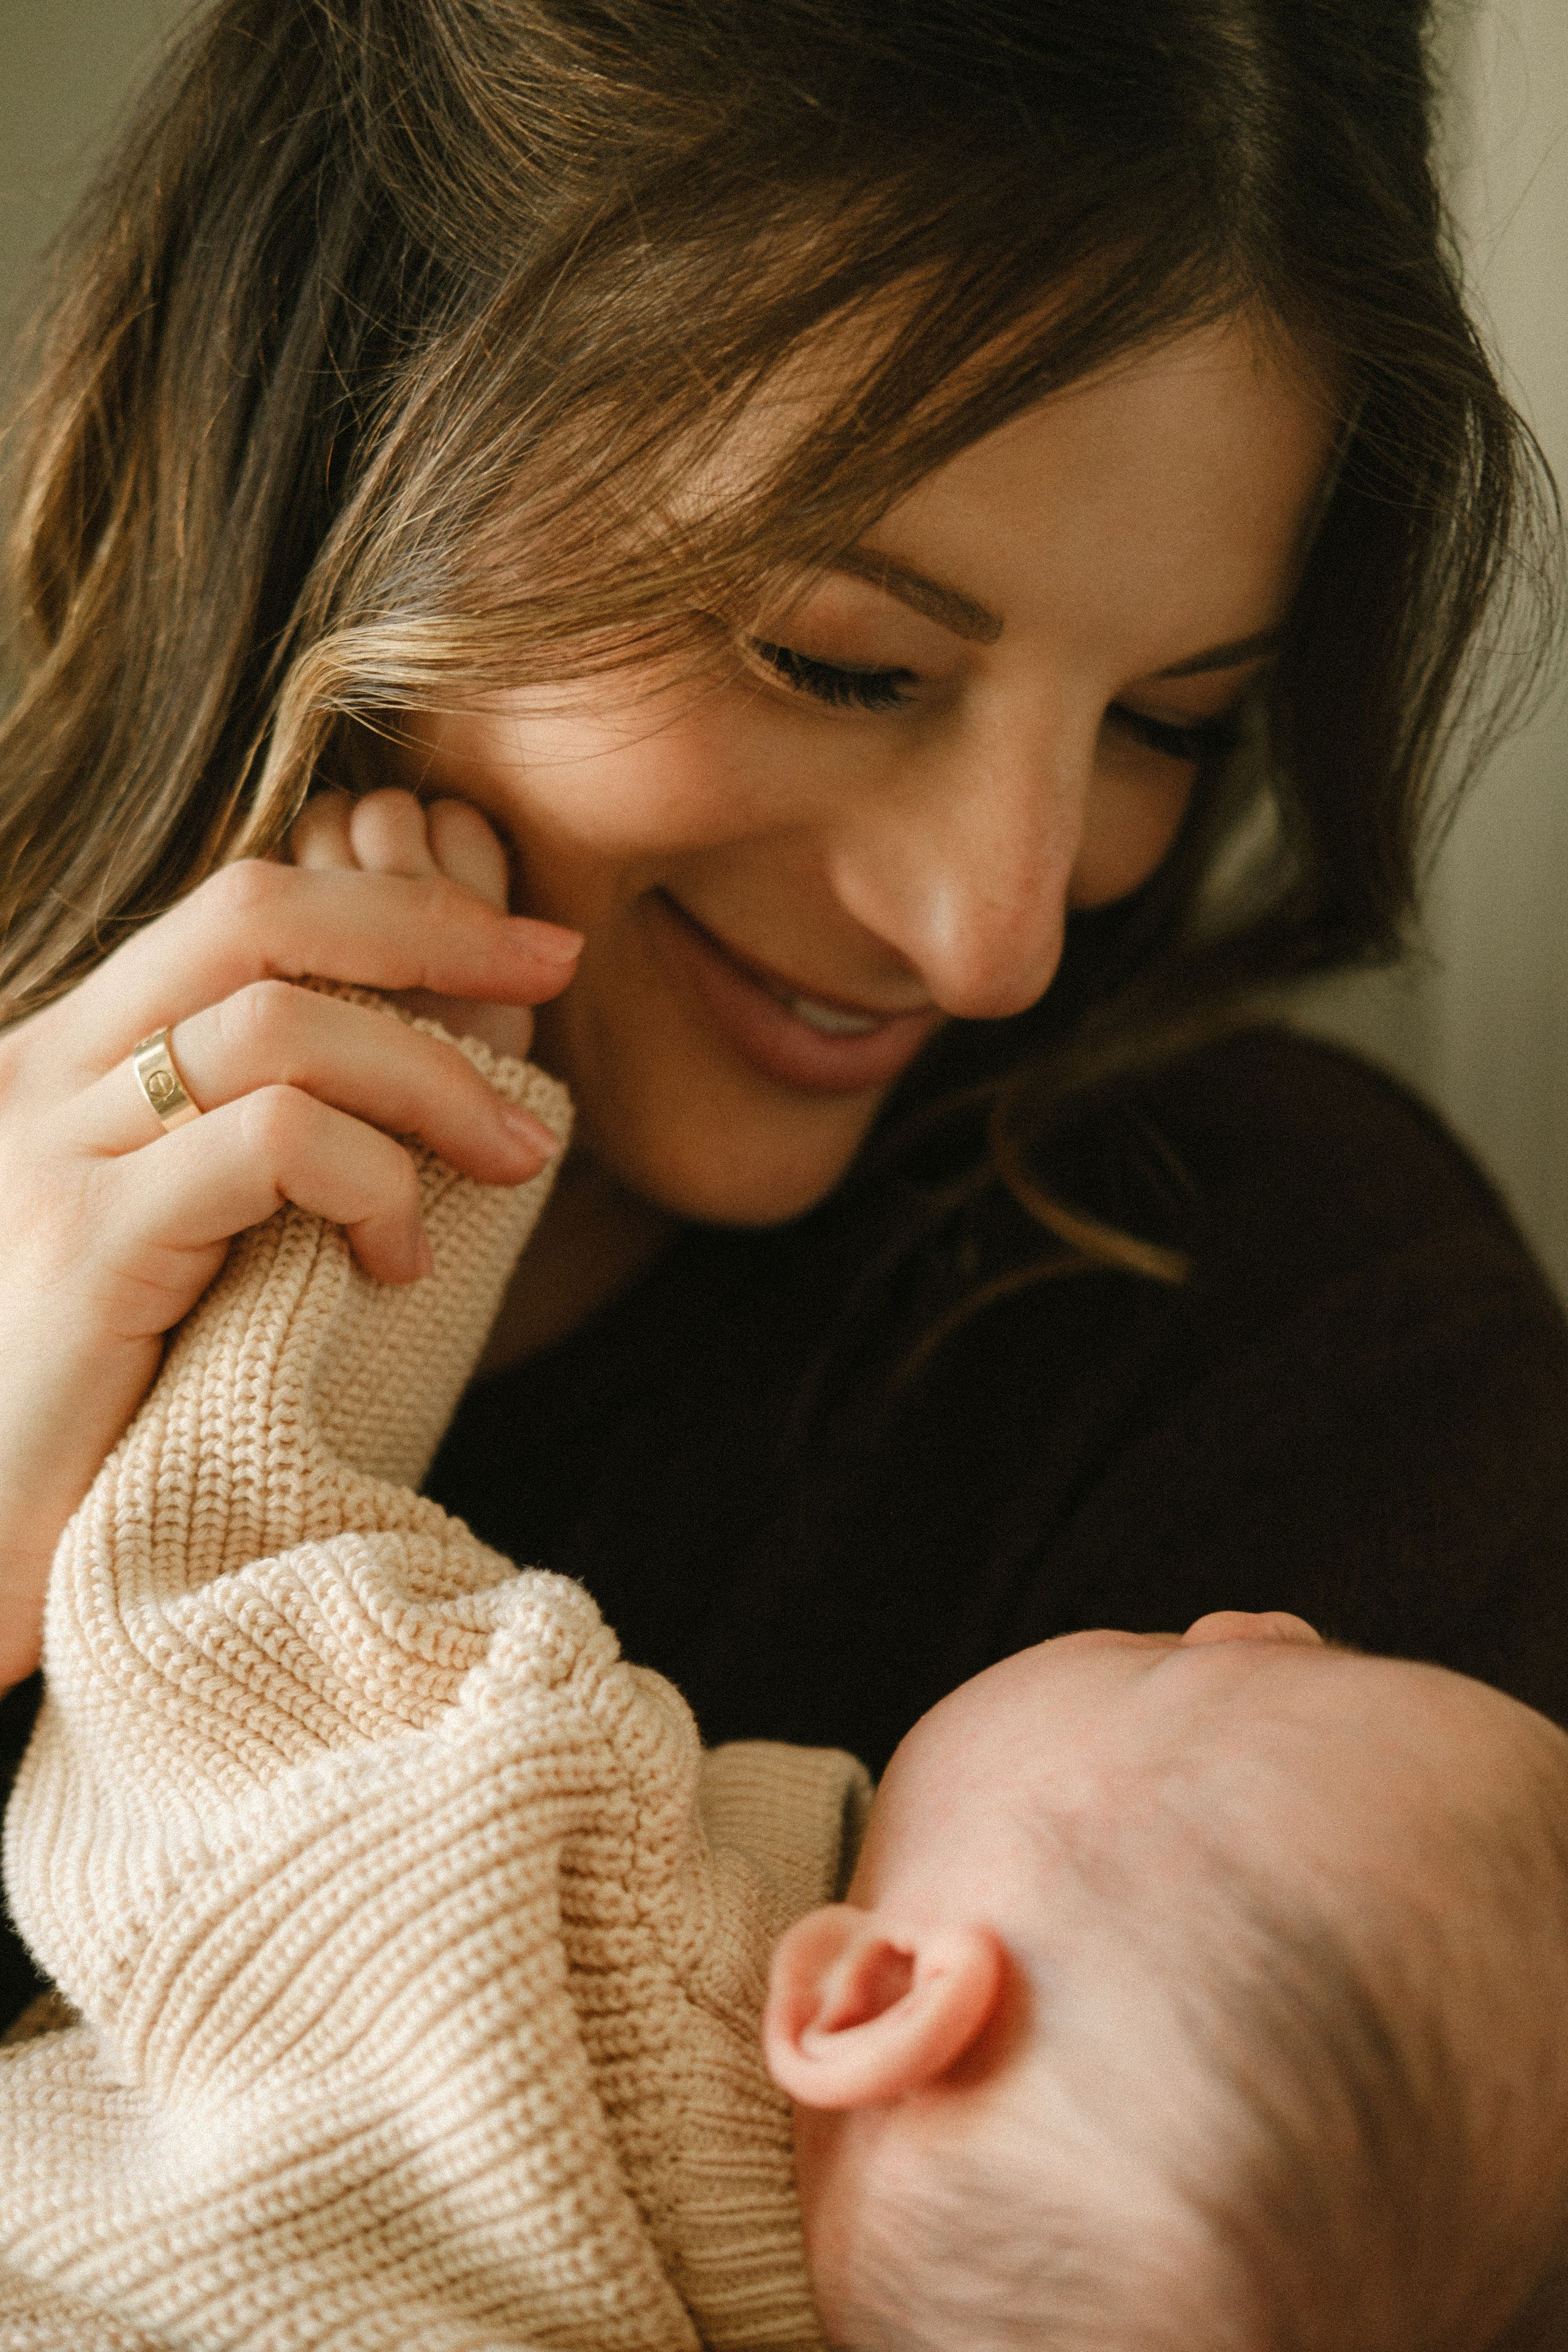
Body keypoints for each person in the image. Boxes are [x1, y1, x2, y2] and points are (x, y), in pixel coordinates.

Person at [4, 0, 1568, 2035]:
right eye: (840, 661)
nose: (994, 939)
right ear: (345, 422)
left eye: (1167, 722)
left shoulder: (1289, 1336)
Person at [2, 1066, 1565, 2351]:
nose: (1257, 1613)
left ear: (869, 2001)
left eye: (1218, 1680)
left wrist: (427, 1090)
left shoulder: (552, 1911)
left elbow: (211, 1577)